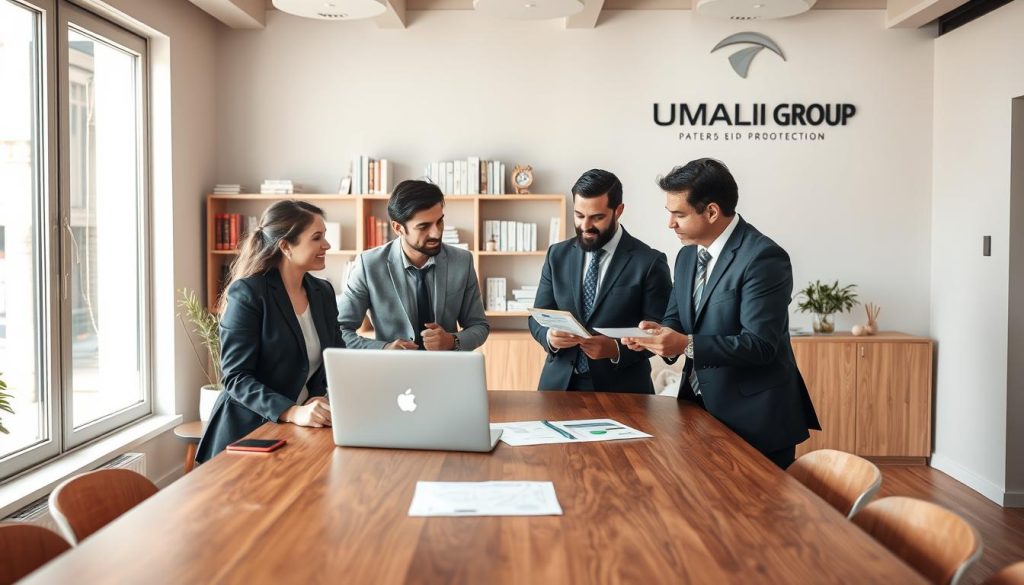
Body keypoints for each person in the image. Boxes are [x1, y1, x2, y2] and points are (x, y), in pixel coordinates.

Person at [623, 158, 819, 469]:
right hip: (698, 412)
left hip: (756, 420)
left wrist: (685, 344)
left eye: (678, 215)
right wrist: (656, 335)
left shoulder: (764, 257)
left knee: (757, 515)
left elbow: (761, 345)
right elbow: (676, 318)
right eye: (669, 214)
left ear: (712, 212)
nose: (670, 224)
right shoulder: (687, 255)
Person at [195, 200, 344, 464]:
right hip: (248, 433)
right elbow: (236, 377)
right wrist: (292, 411)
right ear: (286, 246)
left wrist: (319, 396)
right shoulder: (248, 294)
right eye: (317, 237)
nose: (327, 245)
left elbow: (335, 356)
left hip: (299, 431)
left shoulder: (323, 292)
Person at [529, 169, 671, 393]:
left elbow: (662, 331)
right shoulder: (556, 255)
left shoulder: (650, 262)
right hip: (558, 387)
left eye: (597, 217)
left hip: (623, 391)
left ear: (618, 211)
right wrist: (550, 337)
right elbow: (537, 316)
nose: (586, 226)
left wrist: (616, 349)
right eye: (579, 215)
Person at [338, 179, 489, 351]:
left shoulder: (462, 261)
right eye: (423, 226)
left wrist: (452, 341)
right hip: (392, 372)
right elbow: (340, 330)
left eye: (439, 221)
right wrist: (384, 349)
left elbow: (479, 326)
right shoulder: (369, 265)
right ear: (398, 228)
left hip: (447, 371)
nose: (436, 232)